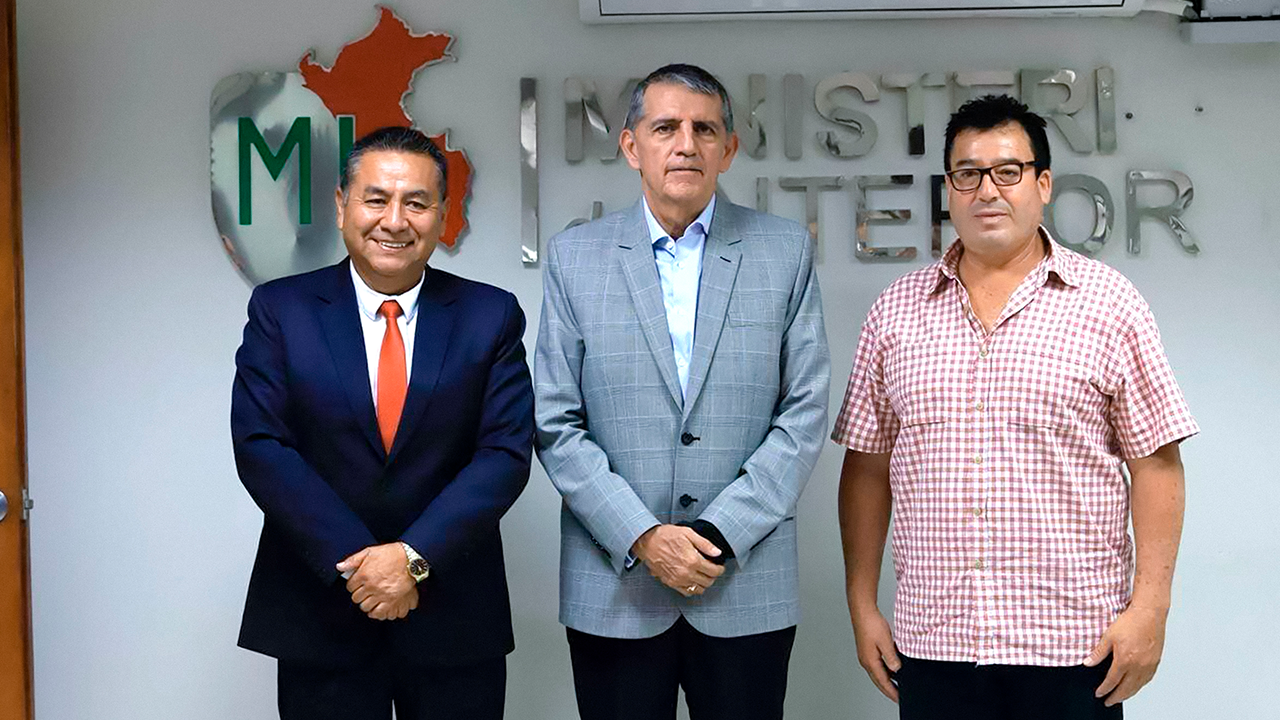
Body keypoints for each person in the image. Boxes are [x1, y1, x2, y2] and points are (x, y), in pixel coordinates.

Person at [833, 94, 1198, 720]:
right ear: (948, 189)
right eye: (967, 174)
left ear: (1043, 184)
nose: (987, 190)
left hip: (1075, 646)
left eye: (1008, 171)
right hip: (936, 643)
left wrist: (1151, 607)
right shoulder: (895, 312)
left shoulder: (1109, 305)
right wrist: (862, 605)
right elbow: (867, 468)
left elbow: (1157, 464)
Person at [535, 63, 830, 720]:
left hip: (742, 580)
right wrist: (642, 534)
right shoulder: (574, 256)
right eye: (666, 127)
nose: (686, 144)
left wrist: (719, 533)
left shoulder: (783, 250)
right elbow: (555, 420)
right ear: (631, 145)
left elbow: (804, 411)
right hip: (615, 584)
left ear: (729, 148)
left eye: (705, 129)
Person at [230, 126, 534, 720]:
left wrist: (413, 559)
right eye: (376, 199)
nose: (395, 221)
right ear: (342, 204)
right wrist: (363, 565)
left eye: (416, 203)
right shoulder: (281, 309)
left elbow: (504, 453)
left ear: (442, 213)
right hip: (321, 612)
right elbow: (262, 445)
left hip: (452, 613)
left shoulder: (490, 314)